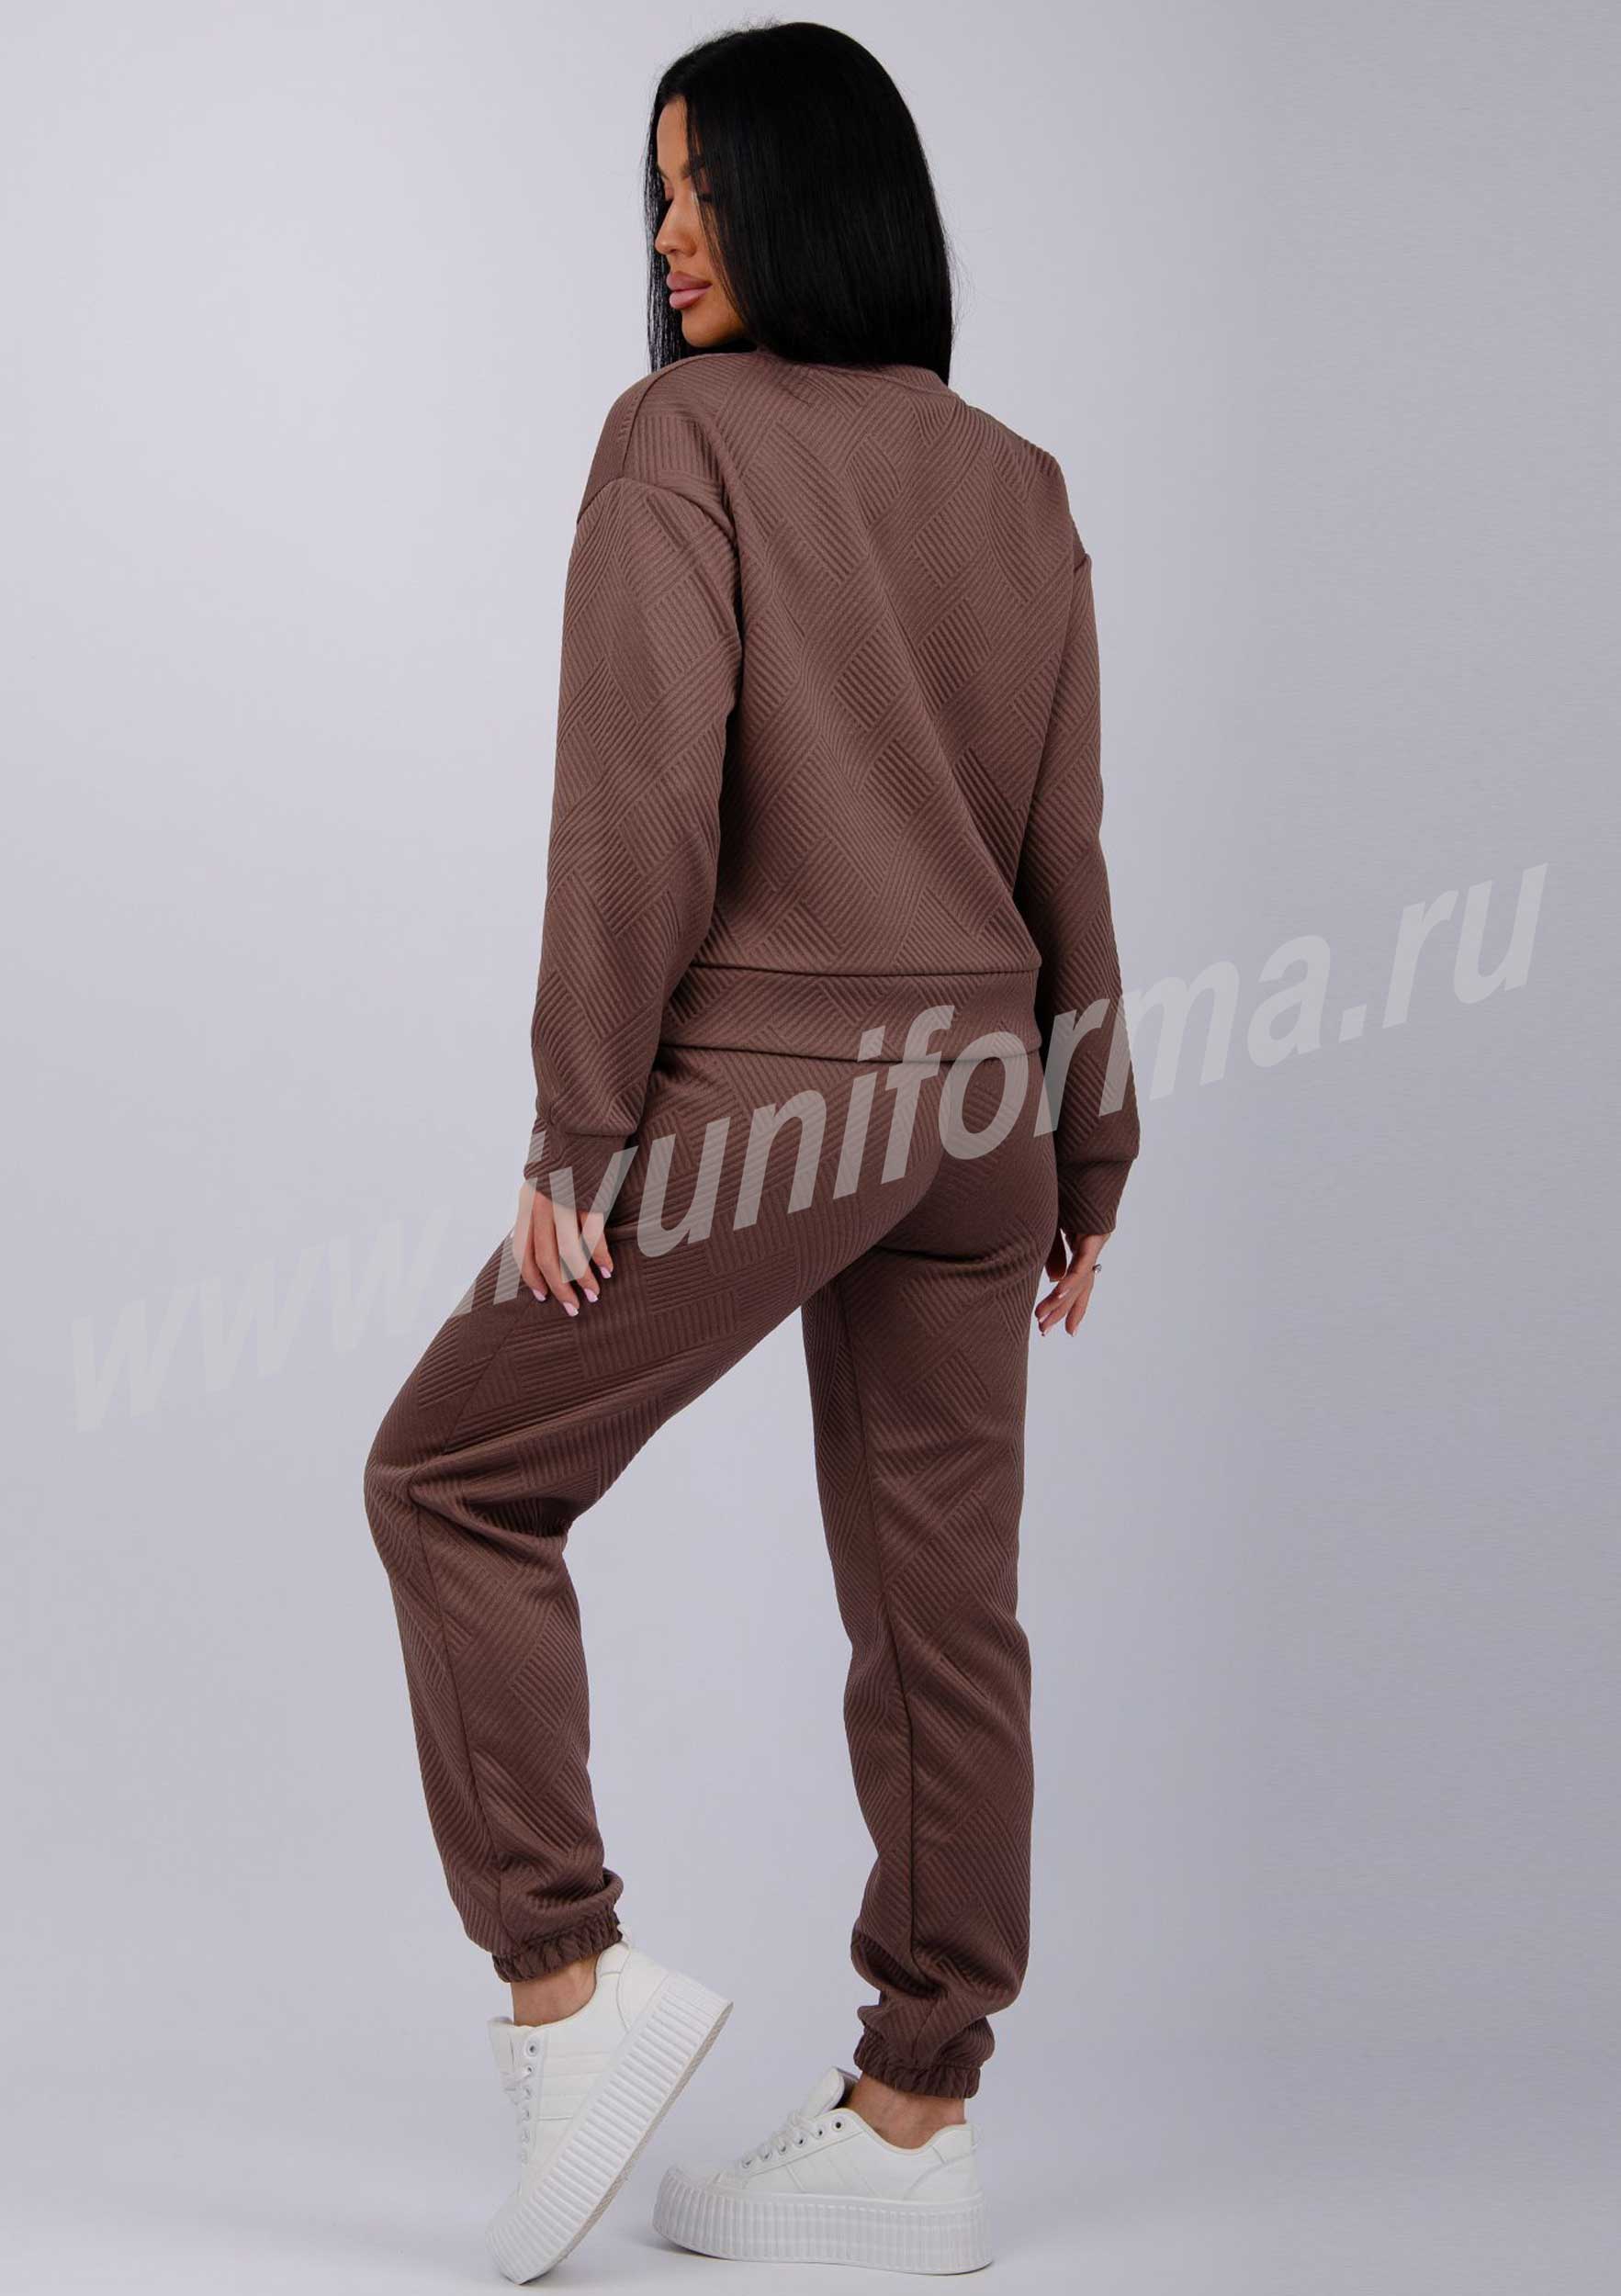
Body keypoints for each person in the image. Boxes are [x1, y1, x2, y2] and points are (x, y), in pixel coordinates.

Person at [364, 21, 1140, 2280]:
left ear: (822, 197)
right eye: (657, 190)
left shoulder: (681, 438)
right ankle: (918, 2114)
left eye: (705, 186)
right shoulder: (1017, 482)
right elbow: (1063, 846)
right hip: (983, 1104)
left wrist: (580, 1126)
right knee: (942, 1611)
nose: (670, 232)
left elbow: (636, 793)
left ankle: (567, 1984)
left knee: (449, 1478)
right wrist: (1090, 1140)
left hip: (776, 1095)